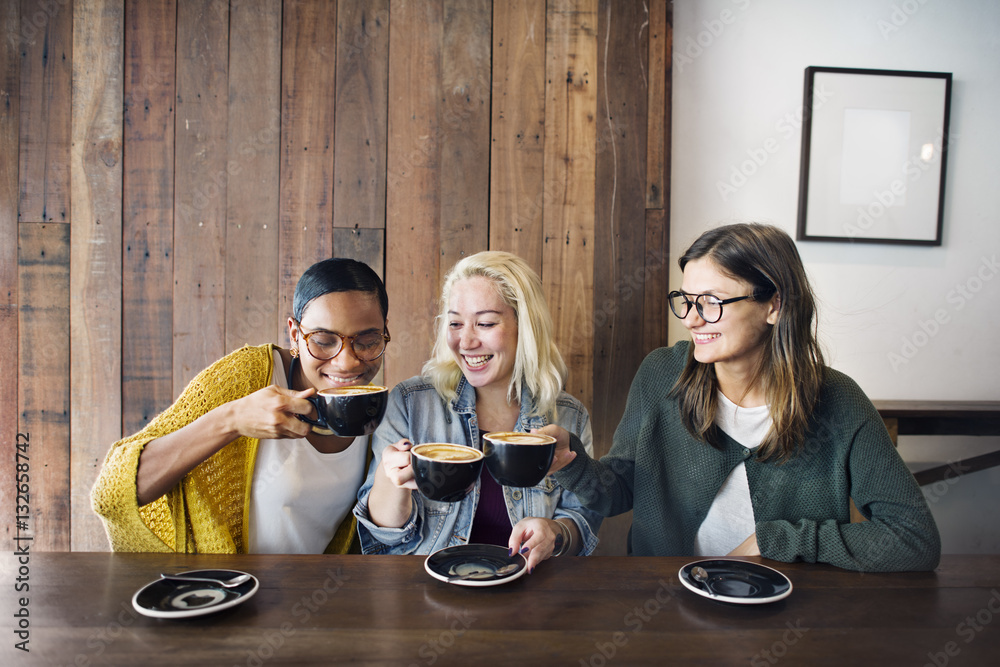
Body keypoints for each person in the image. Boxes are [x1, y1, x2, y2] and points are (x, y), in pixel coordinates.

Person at [544, 223, 940, 572]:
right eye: (686, 300)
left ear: (775, 304)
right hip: (663, 606)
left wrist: (778, 540)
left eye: (712, 302)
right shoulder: (661, 374)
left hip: (784, 617)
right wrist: (571, 462)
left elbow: (914, 540)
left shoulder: (837, 401)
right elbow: (619, 492)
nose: (691, 319)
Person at [92, 258, 391, 554]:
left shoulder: (379, 409)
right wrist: (232, 420)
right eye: (324, 340)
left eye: (367, 341)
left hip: (307, 597)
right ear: (294, 334)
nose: (348, 361)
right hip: (221, 592)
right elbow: (112, 491)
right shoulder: (249, 375)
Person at [354, 251, 602, 571]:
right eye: (455, 323)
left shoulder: (568, 415)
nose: (466, 341)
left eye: (484, 323)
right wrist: (393, 480)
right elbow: (384, 539)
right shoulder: (409, 402)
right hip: (425, 594)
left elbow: (583, 519)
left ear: (525, 326)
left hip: (527, 593)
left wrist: (555, 532)